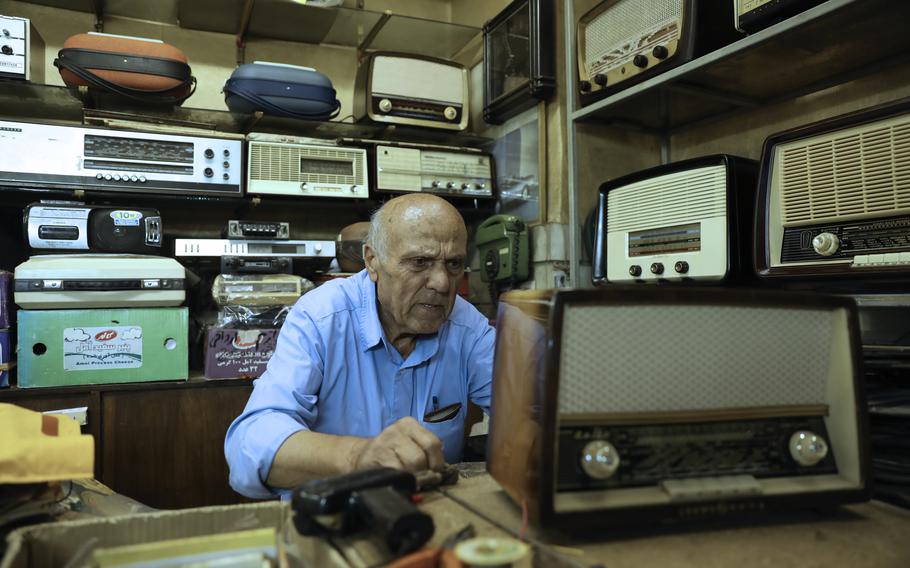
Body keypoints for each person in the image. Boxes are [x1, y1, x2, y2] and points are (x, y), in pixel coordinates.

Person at [224, 193, 495, 499]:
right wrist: (358, 458)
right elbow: (249, 445)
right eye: (420, 262)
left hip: (430, 516)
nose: (443, 283)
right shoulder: (321, 317)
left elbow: (527, 412)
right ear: (372, 260)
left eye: (454, 264)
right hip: (333, 519)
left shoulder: (465, 325)